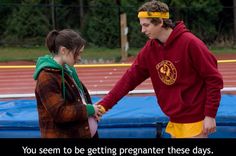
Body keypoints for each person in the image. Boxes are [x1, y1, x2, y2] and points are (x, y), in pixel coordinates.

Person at [97, 0, 224, 138]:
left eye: (146, 25)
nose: (142, 30)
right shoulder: (150, 49)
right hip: (175, 121)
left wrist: (210, 115)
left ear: (160, 22)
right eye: (142, 25)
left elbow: (213, 79)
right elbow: (129, 79)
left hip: (195, 121)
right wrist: (104, 106)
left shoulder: (191, 43)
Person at [33, 29, 102, 138]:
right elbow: (60, 112)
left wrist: (92, 112)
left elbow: (80, 100)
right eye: (77, 53)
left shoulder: (68, 71)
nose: (79, 58)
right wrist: (89, 110)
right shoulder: (46, 77)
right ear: (63, 50)